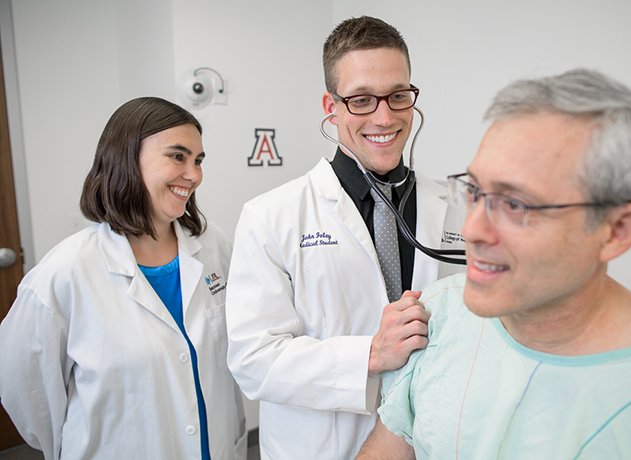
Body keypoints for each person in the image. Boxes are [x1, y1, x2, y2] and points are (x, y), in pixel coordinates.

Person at [357, 68, 631, 459]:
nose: (472, 230)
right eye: (474, 190)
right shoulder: (438, 314)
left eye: (516, 205)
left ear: (617, 229)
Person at [226, 16, 464, 460]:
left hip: (433, 441)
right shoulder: (270, 217)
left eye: (398, 96)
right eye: (360, 100)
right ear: (330, 106)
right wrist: (371, 354)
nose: (384, 116)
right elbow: (254, 363)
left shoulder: (454, 206)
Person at [0, 97, 248, 459]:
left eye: (198, 160)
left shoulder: (212, 245)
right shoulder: (65, 273)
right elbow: (26, 391)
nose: (194, 175)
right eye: (177, 156)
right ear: (126, 158)